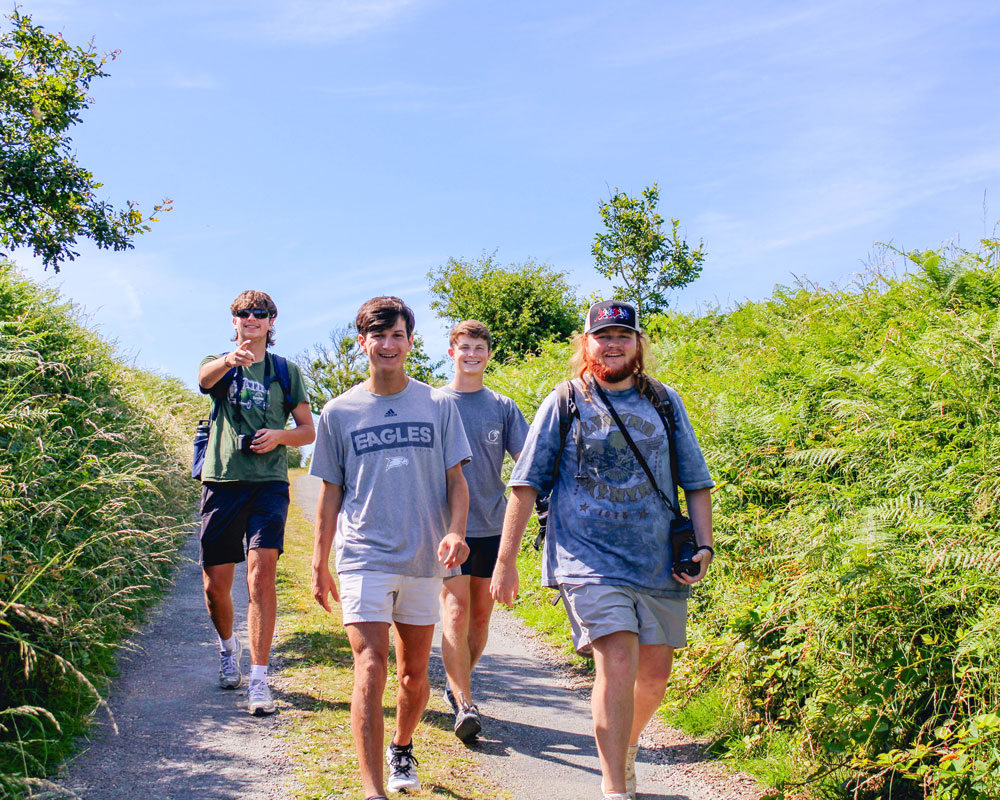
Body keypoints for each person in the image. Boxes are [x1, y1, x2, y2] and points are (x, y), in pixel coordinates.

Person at [491, 300, 715, 800]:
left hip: (656, 560)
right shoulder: (566, 400)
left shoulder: (662, 401)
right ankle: (615, 789)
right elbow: (525, 483)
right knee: (617, 661)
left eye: (623, 336)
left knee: (654, 678)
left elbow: (696, 481)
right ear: (586, 343)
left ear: (637, 344)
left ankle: (625, 751)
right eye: (603, 336)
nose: (612, 344)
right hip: (586, 559)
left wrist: (705, 546)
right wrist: (506, 561)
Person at [310, 296, 472, 800]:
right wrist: (319, 561)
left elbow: (457, 482)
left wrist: (456, 531)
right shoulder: (338, 412)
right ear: (363, 343)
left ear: (409, 341)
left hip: (424, 559)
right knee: (371, 664)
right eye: (377, 336)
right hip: (363, 556)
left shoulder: (439, 404)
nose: (387, 344)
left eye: (396, 335)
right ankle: (372, 789)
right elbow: (330, 492)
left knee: (413, 674)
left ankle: (402, 746)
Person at [197, 290, 315, 715]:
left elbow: (307, 430)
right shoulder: (220, 365)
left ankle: (260, 677)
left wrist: (279, 437)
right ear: (234, 322)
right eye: (243, 313)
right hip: (223, 481)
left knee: (261, 576)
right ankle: (229, 648)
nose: (251, 318)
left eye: (259, 313)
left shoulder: (286, 371)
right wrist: (230, 361)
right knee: (216, 585)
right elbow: (204, 381)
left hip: (268, 483)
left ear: (270, 322)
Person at [438, 320, 529, 742]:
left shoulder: (503, 407)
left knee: (479, 615)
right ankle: (464, 703)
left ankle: (459, 687)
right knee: (454, 611)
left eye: (479, 348)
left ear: (488, 355)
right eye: (464, 347)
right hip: (446, 528)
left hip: (493, 525)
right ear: (451, 352)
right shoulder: (435, 403)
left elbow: (528, 463)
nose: (471, 354)